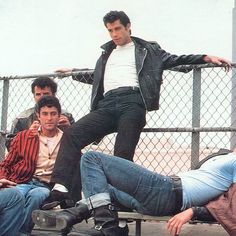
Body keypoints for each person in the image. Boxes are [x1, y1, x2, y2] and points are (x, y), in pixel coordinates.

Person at [43, 10, 231, 208]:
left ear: (128, 27)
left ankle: (119, 202)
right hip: (107, 104)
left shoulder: (147, 50)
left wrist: (205, 57)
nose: (114, 34)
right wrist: (73, 72)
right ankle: (61, 189)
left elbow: (175, 59)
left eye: (117, 29)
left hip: (132, 102)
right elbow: (96, 78)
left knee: (121, 155)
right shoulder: (106, 54)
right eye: (110, 31)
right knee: (72, 134)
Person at [33, 149, 236, 236]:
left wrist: (194, 211)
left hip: (167, 190)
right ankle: (71, 215)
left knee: (91, 159)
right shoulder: (225, 156)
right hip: (160, 198)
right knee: (103, 187)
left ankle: (107, 227)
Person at [0, 96, 66, 235]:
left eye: (53, 114)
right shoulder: (25, 136)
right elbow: (7, 163)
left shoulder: (67, 139)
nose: (49, 118)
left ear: (59, 116)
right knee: (17, 194)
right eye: (45, 114)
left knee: (37, 195)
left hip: (46, 185)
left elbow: (76, 163)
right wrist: (2, 179)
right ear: (38, 116)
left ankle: (22, 232)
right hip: (23, 180)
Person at [6, 76, 74, 150]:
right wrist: (26, 135)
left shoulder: (67, 116)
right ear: (34, 96)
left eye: (45, 94)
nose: (42, 97)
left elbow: (79, 142)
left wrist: (70, 129)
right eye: (38, 94)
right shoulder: (22, 119)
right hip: (30, 158)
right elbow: (10, 146)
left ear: (54, 94)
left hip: (60, 157)